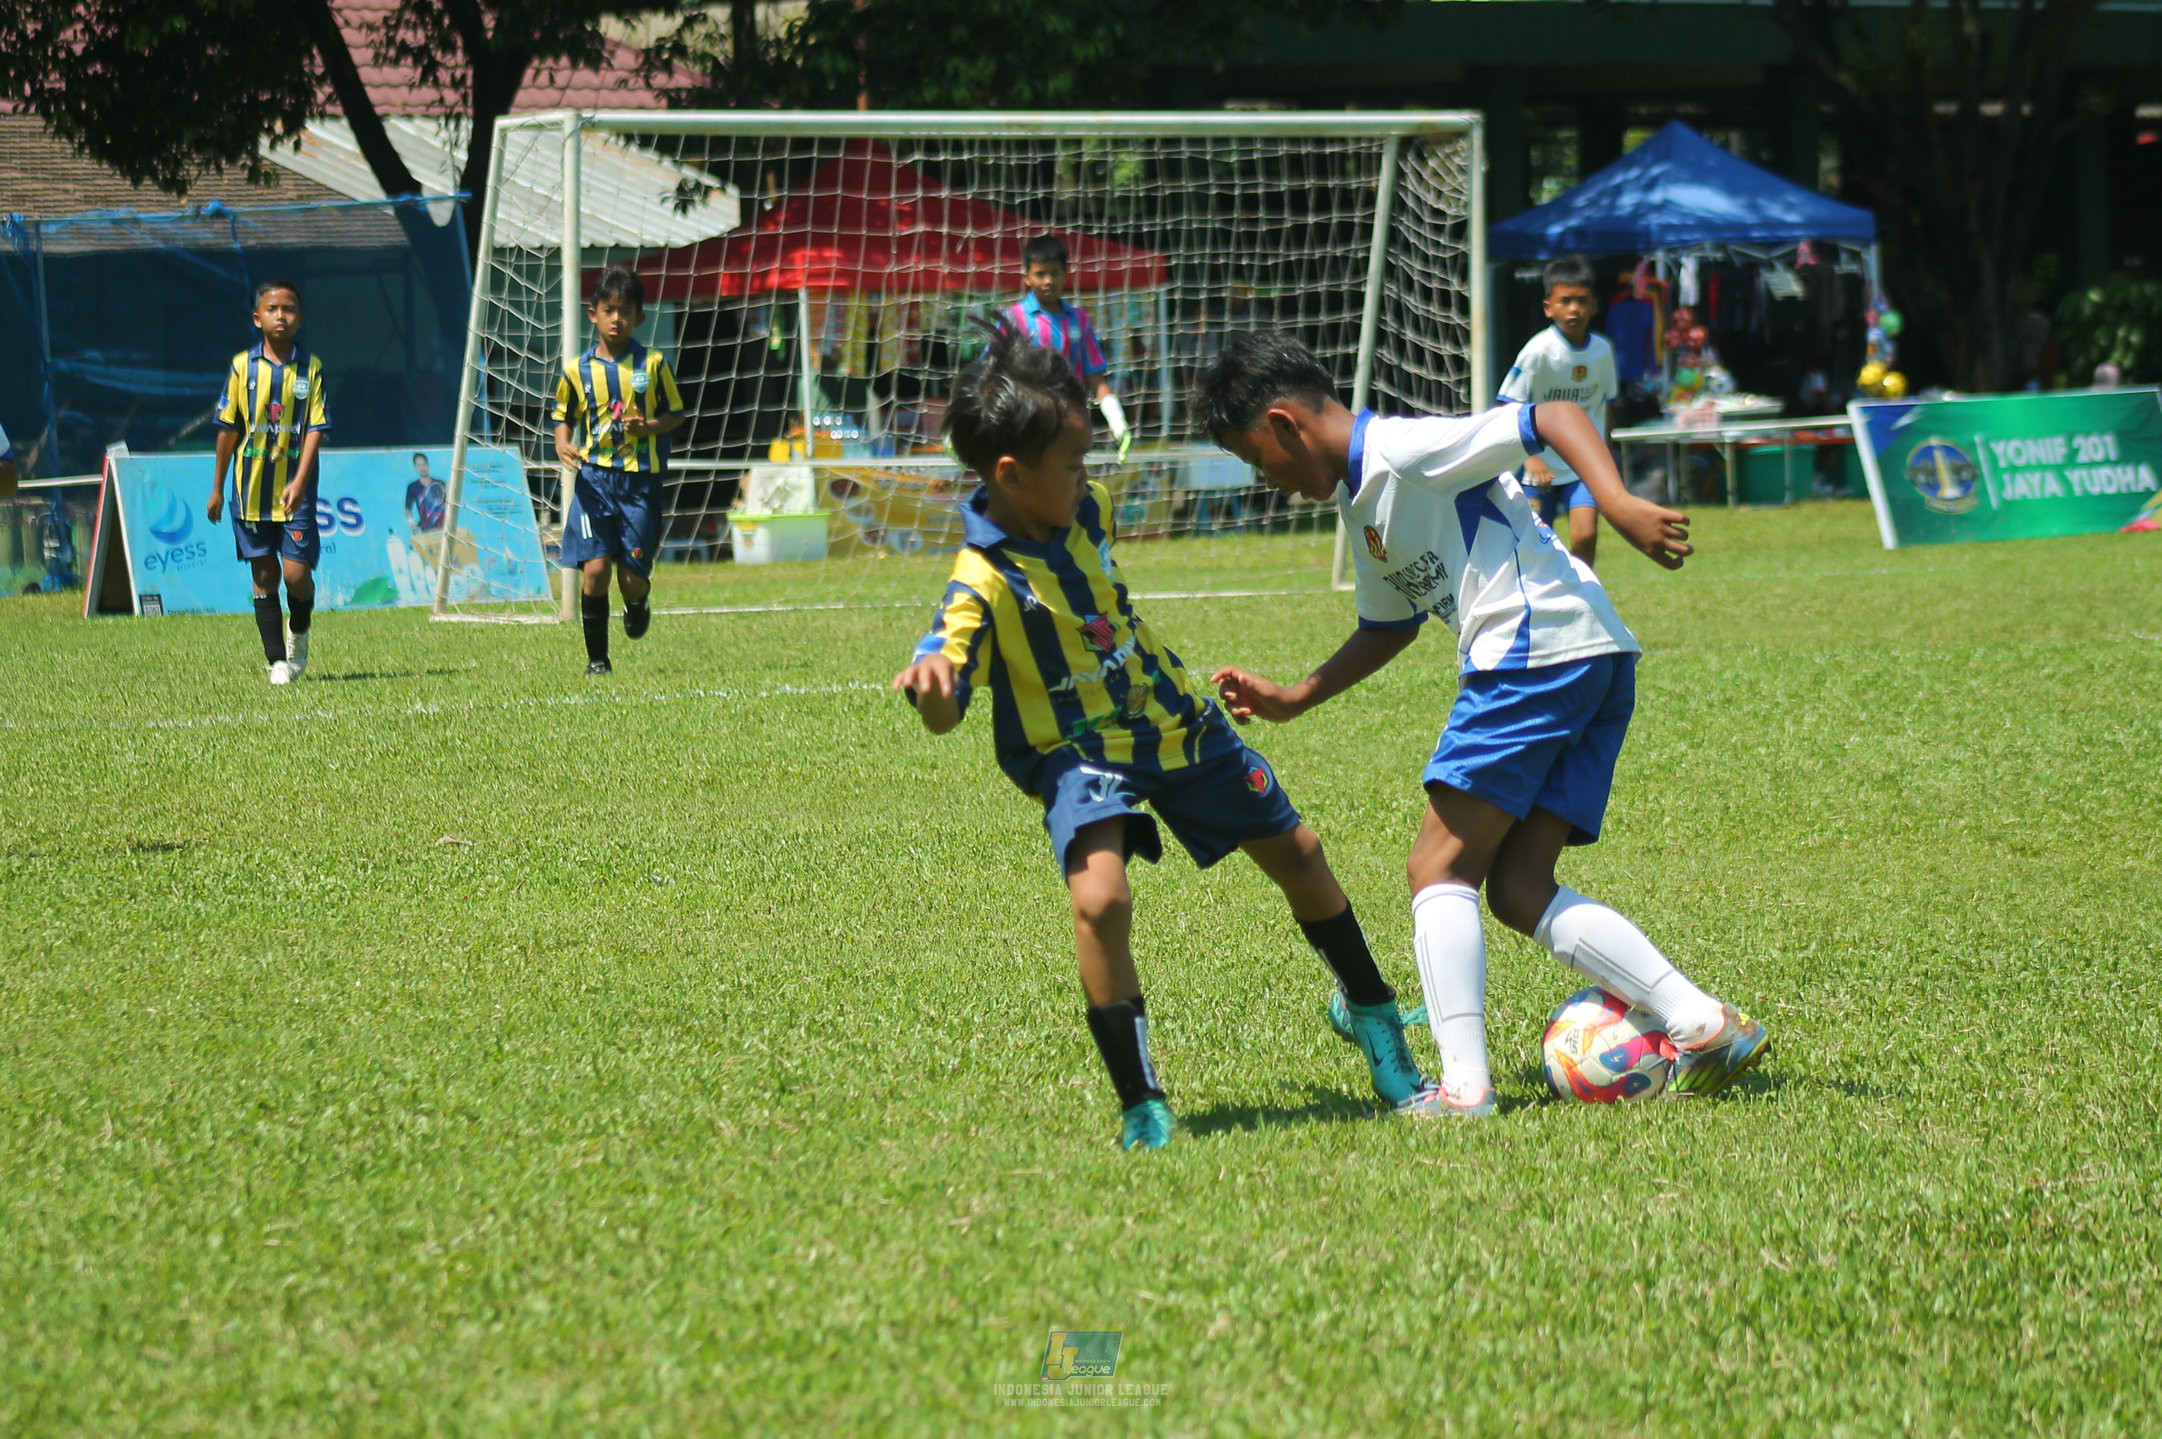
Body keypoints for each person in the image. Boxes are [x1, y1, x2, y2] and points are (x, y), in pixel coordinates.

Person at [1193, 332, 1770, 1118]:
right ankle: (1701, 1023)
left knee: (1438, 869)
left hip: (1530, 655)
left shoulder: (1404, 450)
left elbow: (1554, 415)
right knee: (1519, 887)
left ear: (1285, 423)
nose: (1269, 482)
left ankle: (1464, 1091)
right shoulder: (1362, 502)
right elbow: (1387, 624)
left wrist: (1620, 502)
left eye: (1259, 460)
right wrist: (1296, 696)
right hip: (1591, 657)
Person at [890, 327, 1434, 1151]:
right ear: (1010, 474)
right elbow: (945, 698)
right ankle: (1141, 1098)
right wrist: (931, 688)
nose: (1089, 481)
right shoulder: (977, 581)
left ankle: (1373, 1018)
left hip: (1175, 719)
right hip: (1080, 753)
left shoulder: (1089, 511)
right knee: (1099, 899)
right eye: (1073, 466)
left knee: (1302, 855)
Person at [553, 265, 686, 675]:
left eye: (625, 311)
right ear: (592, 313)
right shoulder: (577, 370)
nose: (617, 319)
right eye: (609, 310)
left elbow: (675, 414)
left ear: (639, 318)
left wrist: (649, 426)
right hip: (594, 481)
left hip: (639, 483)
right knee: (594, 570)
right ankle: (598, 661)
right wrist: (562, 442)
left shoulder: (655, 364)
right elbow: (563, 414)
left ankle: (637, 602)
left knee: (630, 578)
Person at [207, 280, 330, 686]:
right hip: (250, 490)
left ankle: (301, 629)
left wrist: (298, 480)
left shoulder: (310, 368)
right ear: (258, 318)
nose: (282, 315)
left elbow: (314, 428)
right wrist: (217, 486)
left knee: (296, 575)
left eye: (290, 309)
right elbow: (227, 428)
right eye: (273, 309)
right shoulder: (243, 366)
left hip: (295, 493)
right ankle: (277, 660)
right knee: (264, 575)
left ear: (301, 318)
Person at [1500, 256, 1617, 568]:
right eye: (1565, 301)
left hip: (1583, 463)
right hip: (1541, 469)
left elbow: (1604, 404)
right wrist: (1531, 458)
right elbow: (1509, 406)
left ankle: (1582, 594)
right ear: (1548, 307)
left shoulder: (1603, 351)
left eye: (1582, 301)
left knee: (1586, 535)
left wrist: (1605, 455)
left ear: (1595, 305)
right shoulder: (1538, 351)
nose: (1574, 309)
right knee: (1536, 546)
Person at [1004, 235, 1131, 459]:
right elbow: (989, 372)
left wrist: (1115, 418)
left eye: (1054, 273)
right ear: (1027, 277)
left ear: (1065, 274)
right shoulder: (1014, 319)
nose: (1048, 281)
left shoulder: (1078, 319)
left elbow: (1095, 376)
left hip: (1070, 423)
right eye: (1040, 274)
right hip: (1026, 424)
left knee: (1071, 485)